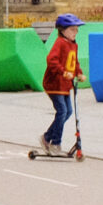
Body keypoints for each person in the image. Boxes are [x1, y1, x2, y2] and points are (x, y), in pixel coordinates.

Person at [40, 13, 84, 156]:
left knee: (68, 112)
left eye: (76, 30)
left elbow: (74, 62)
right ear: (63, 30)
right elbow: (51, 60)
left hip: (65, 85)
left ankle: (47, 137)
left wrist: (79, 73)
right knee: (62, 112)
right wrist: (63, 72)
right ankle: (55, 143)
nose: (75, 33)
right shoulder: (60, 43)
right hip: (54, 84)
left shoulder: (73, 45)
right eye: (72, 30)